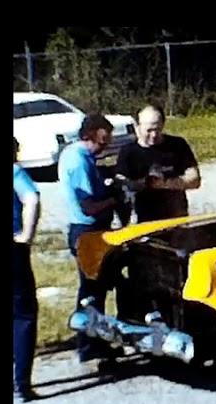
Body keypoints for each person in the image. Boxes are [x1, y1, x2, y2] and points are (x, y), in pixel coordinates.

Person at [58, 113, 122, 365]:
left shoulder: (76, 154)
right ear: (90, 136)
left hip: (86, 231)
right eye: (102, 141)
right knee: (92, 291)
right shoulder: (80, 161)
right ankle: (89, 344)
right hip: (87, 231)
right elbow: (89, 206)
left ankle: (93, 341)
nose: (105, 146)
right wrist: (114, 199)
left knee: (95, 287)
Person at [116, 105, 201, 224]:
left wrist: (165, 183)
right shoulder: (129, 152)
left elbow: (195, 180)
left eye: (157, 129)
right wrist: (140, 184)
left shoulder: (177, 145)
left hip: (177, 216)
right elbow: (120, 183)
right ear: (138, 127)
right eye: (149, 130)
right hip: (145, 220)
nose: (154, 135)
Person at [13, 137, 41, 402]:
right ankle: (21, 383)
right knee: (23, 315)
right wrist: (26, 236)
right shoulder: (15, 172)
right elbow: (31, 199)